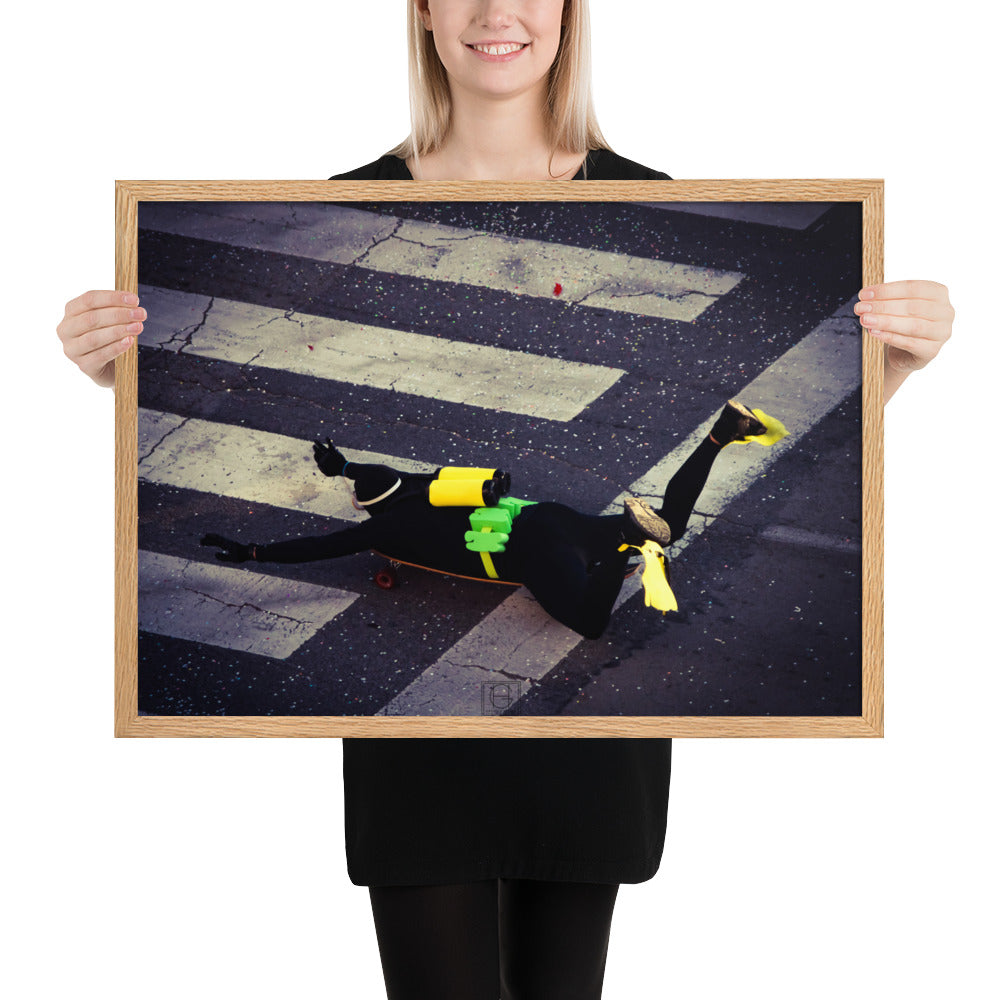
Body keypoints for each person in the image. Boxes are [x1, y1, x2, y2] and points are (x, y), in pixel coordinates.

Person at [55, 2, 954, 997]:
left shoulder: (649, 202)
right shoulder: (343, 214)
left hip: (577, 732)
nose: (496, 11)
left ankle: (667, 511)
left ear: (570, 13)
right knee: (632, 555)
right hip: (431, 750)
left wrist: (896, 365)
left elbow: (326, 535)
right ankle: (693, 473)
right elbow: (339, 520)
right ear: (424, 12)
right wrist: (127, 383)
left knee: (606, 592)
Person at [199, 401, 779, 638]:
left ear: (368, 508)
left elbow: (321, 546)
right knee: (671, 525)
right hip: (550, 519)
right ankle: (721, 433)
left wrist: (254, 553)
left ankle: (629, 542)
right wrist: (343, 465)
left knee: (591, 623)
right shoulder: (428, 484)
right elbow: (373, 474)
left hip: (527, 554)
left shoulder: (381, 530)